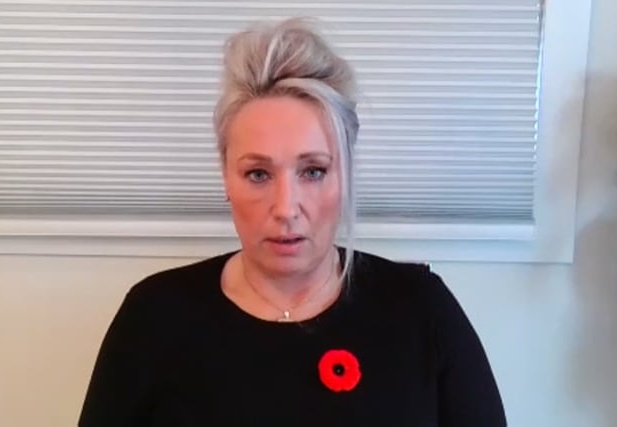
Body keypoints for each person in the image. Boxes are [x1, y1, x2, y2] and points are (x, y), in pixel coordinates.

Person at [78, 17, 506, 427]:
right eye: (258, 174)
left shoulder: (421, 311)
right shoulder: (154, 316)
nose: (286, 208)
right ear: (226, 175)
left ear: (345, 174)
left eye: (313, 171)